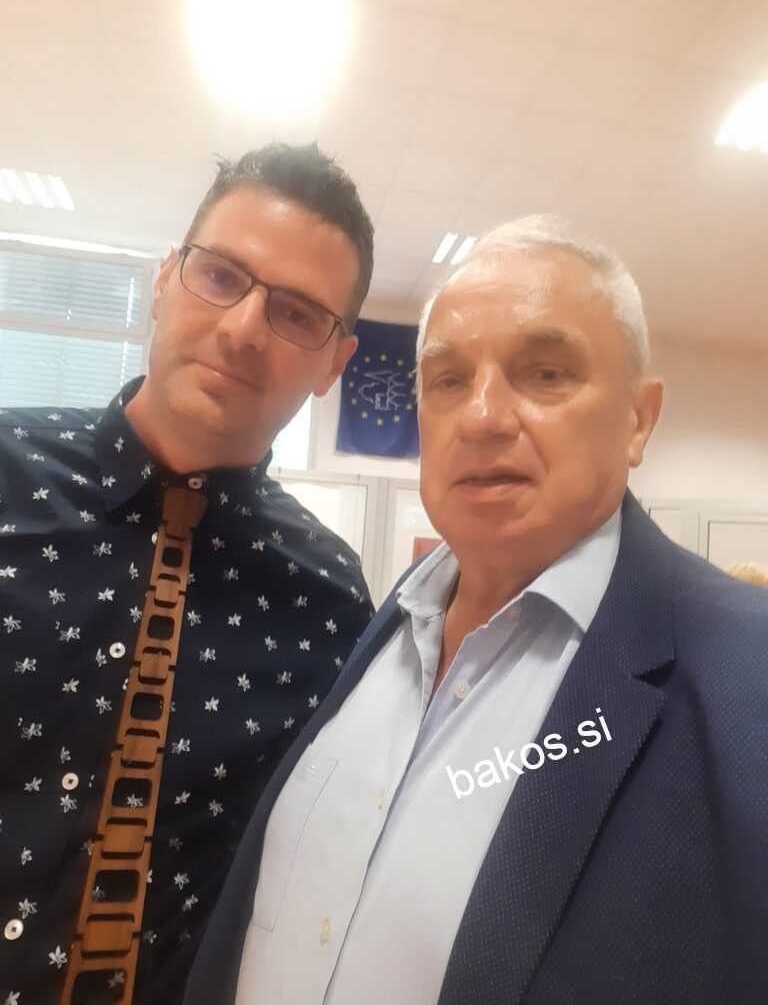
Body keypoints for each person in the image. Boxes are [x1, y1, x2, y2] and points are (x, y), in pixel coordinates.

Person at [183, 215, 768, 1005]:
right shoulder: (390, 619)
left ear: (638, 418)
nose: (483, 416)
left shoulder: (744, 681)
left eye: (546, 373)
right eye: (449, 379)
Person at [0, 143, 376, 1004]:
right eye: (221, 276)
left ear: (334, 363)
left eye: (296, 313)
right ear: (165, 279)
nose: (243, 329)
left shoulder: (331, 598)